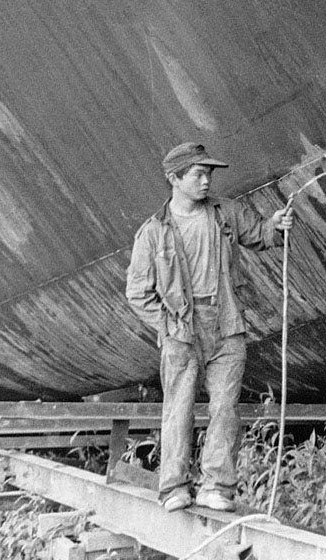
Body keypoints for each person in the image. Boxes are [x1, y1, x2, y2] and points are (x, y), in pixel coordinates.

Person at [125, 141, 294, 512]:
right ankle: (174, 488)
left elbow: (261, 235)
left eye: (209, 174)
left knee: (225, 408)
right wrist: (168, 326)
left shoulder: (226, 213)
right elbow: (137, 293)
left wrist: (276, 225)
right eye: (198, 174)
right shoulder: (153, 232)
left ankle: (217, 486)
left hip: (226, 323)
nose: (206, 181)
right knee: (179, 409)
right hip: (181, 332)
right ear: (174, 178)